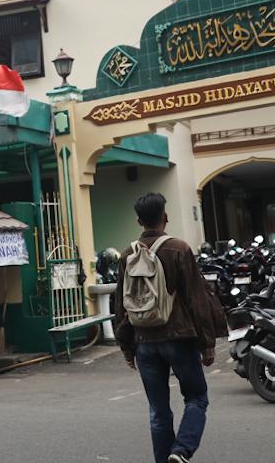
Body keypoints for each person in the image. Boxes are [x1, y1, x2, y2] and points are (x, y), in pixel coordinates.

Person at [113, 192, 224, 463]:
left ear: (139, 221)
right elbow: (196, 298)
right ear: (165, 217)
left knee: (158, 411)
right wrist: (207, 343)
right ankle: (181, 450)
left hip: (143, 341)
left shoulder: (128, 254)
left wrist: (127, 348)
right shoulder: (179, 249)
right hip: (179, 338)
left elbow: (120, 305)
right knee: (197, 398)